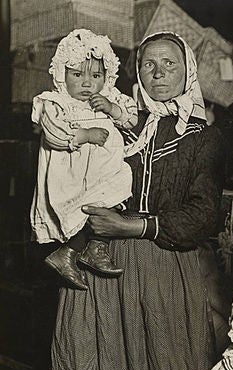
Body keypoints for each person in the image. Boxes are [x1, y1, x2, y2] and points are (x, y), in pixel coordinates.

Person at [42, 31, 227, 370]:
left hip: (162, 264)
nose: (159, 73)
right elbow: (62, 129)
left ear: (188, 72)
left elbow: (203, 216)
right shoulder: (114, 119)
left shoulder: (205, 137)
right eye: (149, 65)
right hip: (95, 265)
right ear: (136, 72)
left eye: (170, 64)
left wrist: (133, 224)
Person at [30, 28, 138, 290]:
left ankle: (91, 248)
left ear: (107, 76)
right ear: (62, 74)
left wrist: (112, 109)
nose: (87, 83)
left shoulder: (110, 97)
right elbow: (54, 134)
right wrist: (84, 134)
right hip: (73, 173)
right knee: (82, 210)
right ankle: (70, 251)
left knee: (117, 193)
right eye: (77, 75)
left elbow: (132, 119)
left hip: (105, 169)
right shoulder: (55, 102)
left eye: (96, 75)